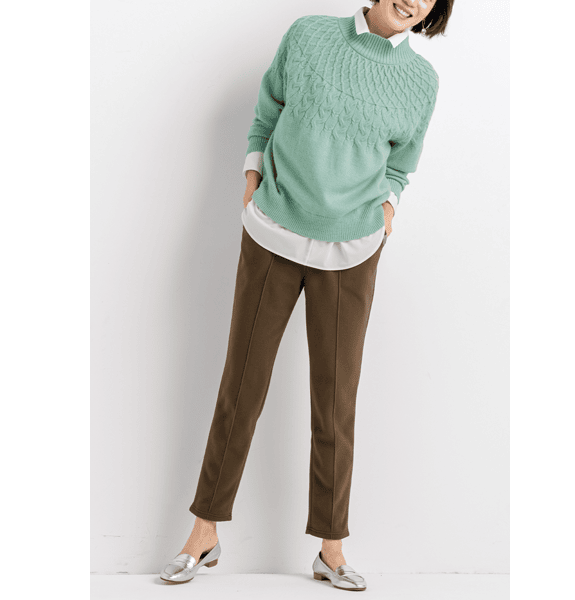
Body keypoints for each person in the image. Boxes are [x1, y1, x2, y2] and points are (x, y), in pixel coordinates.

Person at [160, 0, 453, 591]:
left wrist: (387, 210)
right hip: (273, 229)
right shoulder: (309, 35)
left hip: (353, 248)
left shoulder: (421, 80)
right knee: (241, 385)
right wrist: (251, 176)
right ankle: (203, 532)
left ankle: (331, 548)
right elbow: (268, 109)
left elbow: (402, 164)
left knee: (336, 400)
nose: (414, 0)